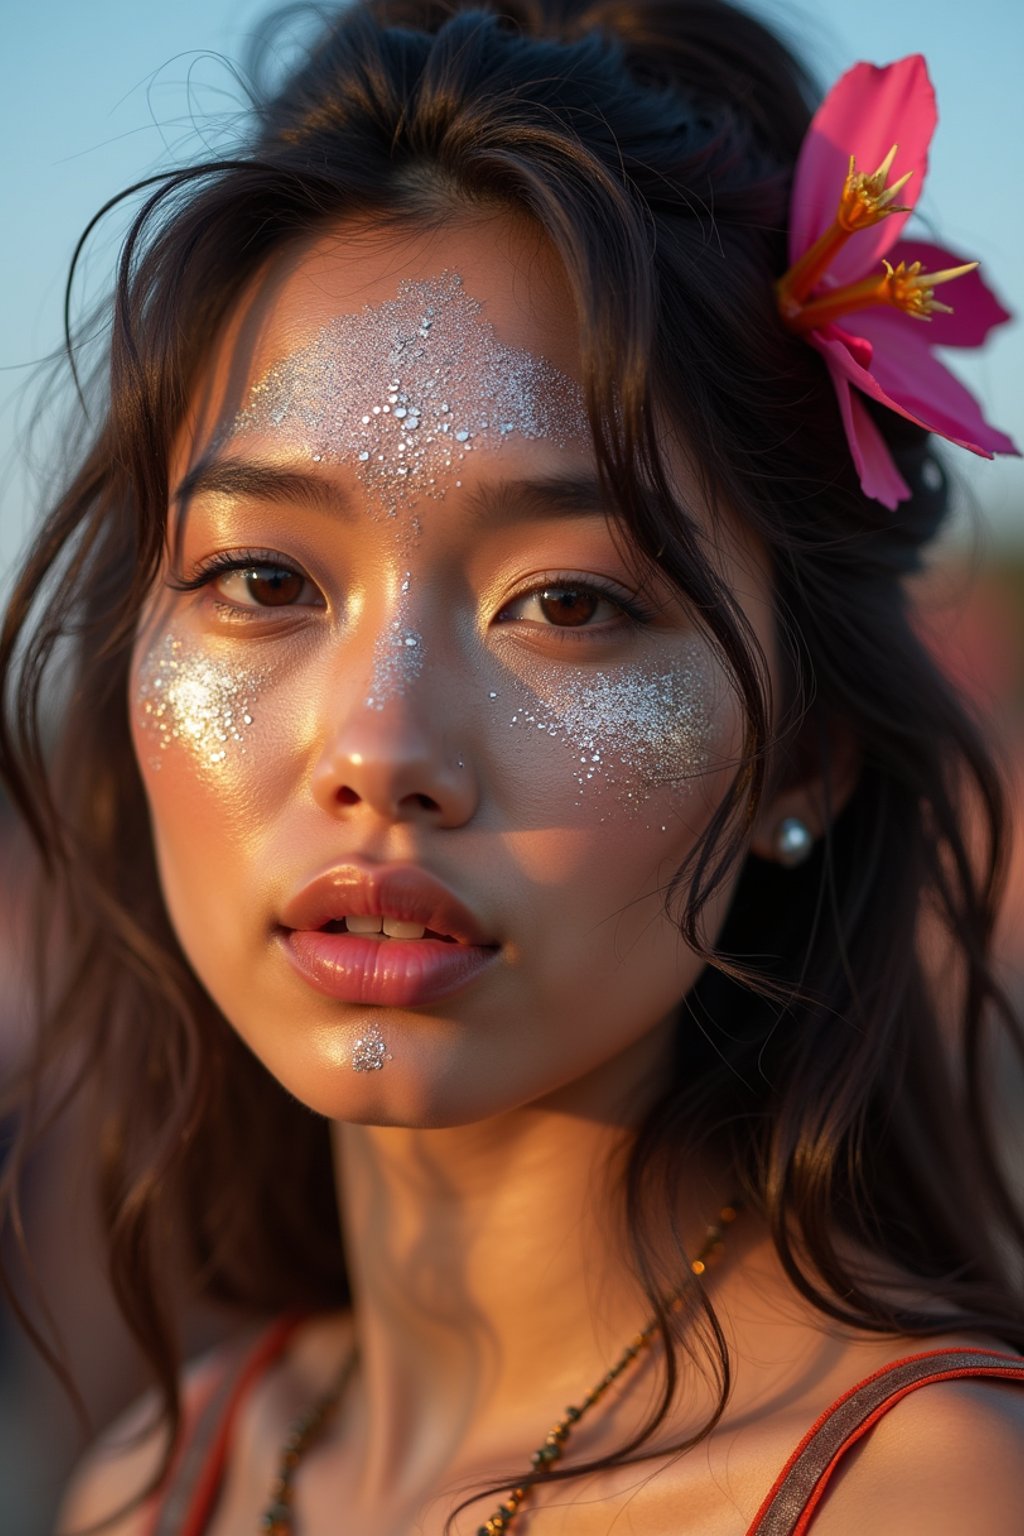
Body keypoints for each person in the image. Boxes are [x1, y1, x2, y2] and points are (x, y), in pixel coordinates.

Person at [2, 1, 1023, 1531]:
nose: (382, 749)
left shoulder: (924, 1497)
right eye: (265, 581)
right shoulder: (153, 1485)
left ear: (800, 759)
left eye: (566, 603)